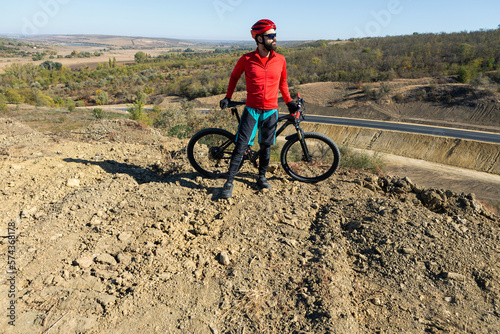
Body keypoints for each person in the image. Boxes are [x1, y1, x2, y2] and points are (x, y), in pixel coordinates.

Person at [219, 19, 298, 199]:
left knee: (266, 147)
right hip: (252, 110)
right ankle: (229, 182)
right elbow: (234, 77)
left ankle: (261, 177)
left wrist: (289, 101)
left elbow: (283, 83)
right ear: (259, 39)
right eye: (271, 36)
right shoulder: (247, 59)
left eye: (275, 35)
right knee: (240, 147)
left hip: (271, 110)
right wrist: (228, 97)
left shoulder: (280, 60)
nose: (275, 39)